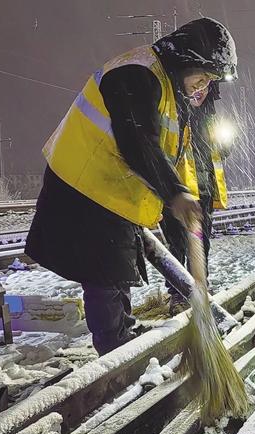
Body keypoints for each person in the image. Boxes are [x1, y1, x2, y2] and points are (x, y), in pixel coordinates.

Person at [25, 18, 238, 355]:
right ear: (188, 59)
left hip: (110, 190)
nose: (204, 85)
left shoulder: (167, 85)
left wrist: (177, 195)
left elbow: (166, 150)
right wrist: (175, 193)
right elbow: (138, 142)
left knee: (115, 270)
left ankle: (121, 335)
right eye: (204, 75)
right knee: (105, 271)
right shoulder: (138, 73)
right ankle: (115, 351)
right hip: (86, 186)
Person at [159, 80, 231, 315]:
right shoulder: (174, 112)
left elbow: (222, 151)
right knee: (177, 245)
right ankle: (177, 294)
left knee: (202, 244)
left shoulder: (210, 118)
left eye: (206, 87)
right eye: (197, 86)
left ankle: (200, 288)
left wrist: (224, 142)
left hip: (204, 191)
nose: (201, 91)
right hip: (177, 192)